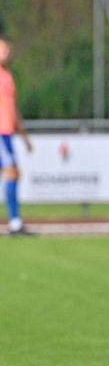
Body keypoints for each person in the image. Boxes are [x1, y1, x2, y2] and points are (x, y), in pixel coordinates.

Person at [0, 36, 34, 235]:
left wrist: (24, 137)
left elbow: (12, 111)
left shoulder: (7, 77)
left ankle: (15, 221)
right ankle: (15, 222)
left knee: (14, 173)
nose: (7, 53)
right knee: (12, 172)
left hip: (7, 133)